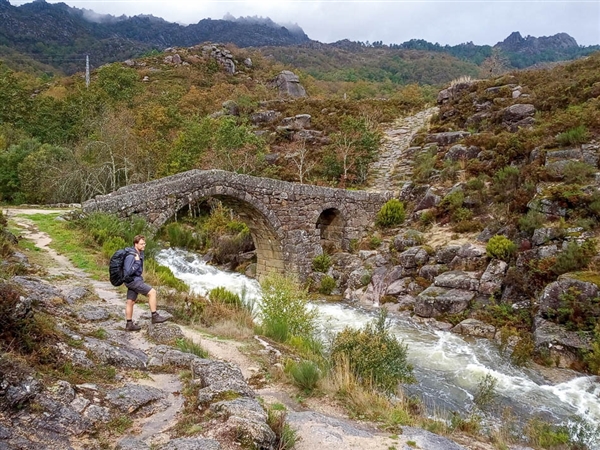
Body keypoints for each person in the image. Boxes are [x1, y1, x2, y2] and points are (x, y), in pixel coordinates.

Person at [123, 235, 168, 331]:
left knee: (130, 302)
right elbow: (128, 272)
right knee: (152, 292)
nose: (144, 245)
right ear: (136, 244)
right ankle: (155, 316)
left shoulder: (139, 253)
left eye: (144, 243)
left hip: (133, 281)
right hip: (133, 281)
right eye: (142, 244)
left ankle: (129, 324)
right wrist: (137, 263)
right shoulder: (131, 256)